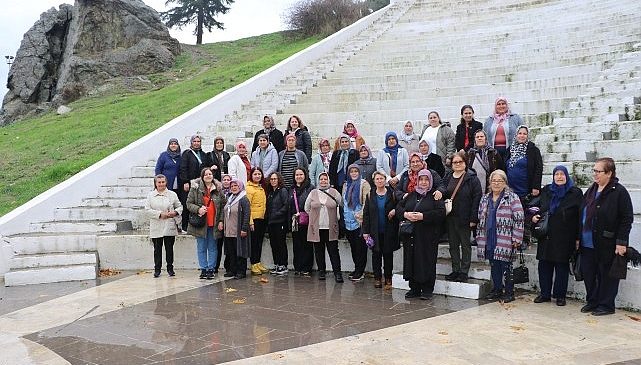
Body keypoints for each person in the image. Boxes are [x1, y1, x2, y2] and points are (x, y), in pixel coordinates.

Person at [579, 157, 633, 316]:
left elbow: (626, 218)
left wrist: (621, 242)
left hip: (607, 242)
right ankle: (592, 301)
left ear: (609, 173)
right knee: (589, 274)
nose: (595, 174)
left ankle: (606, 305)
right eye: (594, 171)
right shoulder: (591, 189)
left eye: (598, 171)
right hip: (587, 242)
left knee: (606, 275)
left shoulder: (619, 191)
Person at [532, 165, 583, 306]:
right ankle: (545, 294)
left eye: (562, 174)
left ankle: (560, 296)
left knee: (561, 267)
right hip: (547, 236)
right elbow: (537, 207)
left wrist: (578, 237)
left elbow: (580, 217)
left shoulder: (575, 193)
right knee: (544, 265)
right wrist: (534, 217)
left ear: (567, 176)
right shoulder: (547, 190)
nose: (559, 177)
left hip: (565, 237)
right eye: (556, 174)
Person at [397, 169, 446, 300]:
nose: (423, 182)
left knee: (426, 261)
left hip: (428, 236)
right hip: (411, 235)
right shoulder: (411, 195)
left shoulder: (435, 196)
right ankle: (414, 288)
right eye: (421, 179)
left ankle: (427, 289)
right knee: (412, 260)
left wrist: (423, 216)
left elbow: (441, 213)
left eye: (426, 180)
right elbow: (399, 208)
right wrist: (406, 214)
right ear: (417, 181)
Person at [477, 170, 525, 303]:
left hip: (505, 238)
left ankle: (509, 292)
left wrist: (517, 238)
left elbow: (519, 218)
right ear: (490, 183)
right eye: (494, 181)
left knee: (506, 265)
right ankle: (497, 289)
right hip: (489, 237)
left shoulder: (512, 197)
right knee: (494, 264)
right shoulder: (485, 198)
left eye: (500, 181)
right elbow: (480, 218)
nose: (496, 183)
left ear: (505, 183)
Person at [441, 151, 482, 283]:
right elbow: (443, 189)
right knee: (453, 245)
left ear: (465, 163)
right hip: (450, 217)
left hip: (465, 217)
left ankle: (464, 271)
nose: (457, 164)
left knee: (465, 245)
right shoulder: (448, 177)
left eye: (460, 162)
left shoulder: (472, 178)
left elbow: (477, 199)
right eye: (455, 162)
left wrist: (473, 218)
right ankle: (456, 269)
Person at [186, 167, 226, 280]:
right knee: (201, 247)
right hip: (200, 223)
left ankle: (211, 269)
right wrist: (198, 209)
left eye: (210, 174)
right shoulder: (195, 188)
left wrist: (221, 220)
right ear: (202, 177)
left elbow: (223, 205)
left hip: (214, 223)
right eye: (206, 174)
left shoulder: (218, 189)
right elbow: (189, 203)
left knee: (213, 247)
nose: (208, 176)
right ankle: (203, 268)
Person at [362, 171, 399, 289]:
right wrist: (365, 232)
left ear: (385, 180)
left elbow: (400, 206)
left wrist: (395, 211)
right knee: (376, 255)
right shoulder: (370, 195)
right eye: (377, 179)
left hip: (389, 230)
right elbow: (366, 214)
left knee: (388, 255)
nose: (379, 181)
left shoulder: (392, 194)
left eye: (381, 178)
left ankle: (388, 277)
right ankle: (377, 278)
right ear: (374, 181)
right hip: (374, 231)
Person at [305, 171, 344, 283]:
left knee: (333, 251)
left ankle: (337, 273)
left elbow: (340, 204)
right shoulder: (313, 192)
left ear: (328, 180)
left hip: (331, 227)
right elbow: (307, 208)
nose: (323, 181)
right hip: (316, 228)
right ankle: (321, 271)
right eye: (321, 179)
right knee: (318, 250)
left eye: (325, 179)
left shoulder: (334, 192)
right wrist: (314, 217)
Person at [145, 174, 183, 278]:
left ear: (166, 182)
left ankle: (170, 268)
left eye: (163, 182)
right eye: (159, 182)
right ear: (155, 184)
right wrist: (160, 214)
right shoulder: (150, 195)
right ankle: (157, 269)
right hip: (157, 225)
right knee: (157, 249)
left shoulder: (172, 194)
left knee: (169, 248)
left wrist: (174, 213)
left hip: (169, 224)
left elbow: (179, 206)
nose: (161, 184)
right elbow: (147, 210)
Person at [342, 164, 371, 282]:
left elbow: (367, 202)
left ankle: (360, 270)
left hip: (359, 221)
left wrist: (359, 215)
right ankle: (356, 268)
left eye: (356, 171)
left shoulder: (364, 184)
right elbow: (343, 202)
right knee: (353, 247)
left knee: (360, 248)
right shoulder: (345, 185)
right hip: (347, 220)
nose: (354, 173)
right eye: (351, 172)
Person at [179, 135, 212, 230]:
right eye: (195, 141)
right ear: (191, 142)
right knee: (187, 204)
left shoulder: (203, 154)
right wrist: (185, 181)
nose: (197, 143)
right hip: (190, 182)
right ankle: (185, 226)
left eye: (198, 141)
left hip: (201, 183)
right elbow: (183, 168)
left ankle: (197, 225)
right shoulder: (187, 153)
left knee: (198, 204)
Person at [223, 179, 251, 279]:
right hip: (229, 231)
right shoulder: (229, 198)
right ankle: (232, 270)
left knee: (240, 252)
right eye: (232, 186)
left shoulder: (243, 199)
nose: (234, 188)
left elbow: (247, 214)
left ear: (240, 187)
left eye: (236, 186)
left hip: (239, 231)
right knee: (231, 252)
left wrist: (244, 228)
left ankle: (241, 271)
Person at [505, 126, 543, 200]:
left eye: (525, 134)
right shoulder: (509, 150)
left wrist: (536, 186)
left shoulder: (533, 150)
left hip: (525, 190)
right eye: (520, 133)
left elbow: (538, 169)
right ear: (516, 135)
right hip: (510, 190)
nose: (522, 136)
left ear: (528, 136)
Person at [289, 167, 315, 276]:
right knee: (297, 244)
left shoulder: (310, 188)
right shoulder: (291, 189)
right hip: (295, 221)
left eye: (301, 174)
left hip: (306, 220)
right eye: (297, 175)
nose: (299, 177)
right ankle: (298, 267)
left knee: (306, 244)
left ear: (305, 175)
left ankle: (306, 267)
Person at [483, 97, 524, 161]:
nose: (501, 106)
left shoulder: (515, 117)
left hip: (511, 150)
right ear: (495, 106)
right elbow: (485, 135)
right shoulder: (489, 120)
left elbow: (523, 131)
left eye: (503, 104)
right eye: (498, 104)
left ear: (507, 105)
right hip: (493, 151)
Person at [246, 167, 269, 276]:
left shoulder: (261, 187)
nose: (257, 176)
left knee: (259, 242)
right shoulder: (249, 188)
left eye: (259, 174)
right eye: (255, 174)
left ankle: (258, 262)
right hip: (254, 219)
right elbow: (247, 207)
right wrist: (250, 222)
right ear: (251, 175)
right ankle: (253, 263)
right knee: (254, 243)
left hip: (261, 219)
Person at [265, 172, 289, 275]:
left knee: (281, 244)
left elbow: (286, 205)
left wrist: (277, 214)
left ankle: (283, 265)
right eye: (271, 179)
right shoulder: (270, 192)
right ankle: (276, 263)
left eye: (275, 179)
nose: (273, 181)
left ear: (279, 179)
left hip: (280, 221)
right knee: (273, 244)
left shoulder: (283, 191)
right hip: (271, 222)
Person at [467, 129, 505, 195]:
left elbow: (501, 169)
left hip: (490, 186)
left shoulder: (493, 153)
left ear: (486, 138)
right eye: (477, 137)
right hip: (474, 186)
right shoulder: (470, 154)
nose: (479, 138)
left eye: (482, 136)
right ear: (475, 139)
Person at [154, 139, 183, 225]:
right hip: (166, 184)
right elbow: (158, 169)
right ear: (169, 145)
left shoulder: (180, 156)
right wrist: (159, 182)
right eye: (172, 144)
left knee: (176, 203)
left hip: (178, 184)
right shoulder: (164, 156)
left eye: (175, 144)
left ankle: (177, 224)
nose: (173, 145)